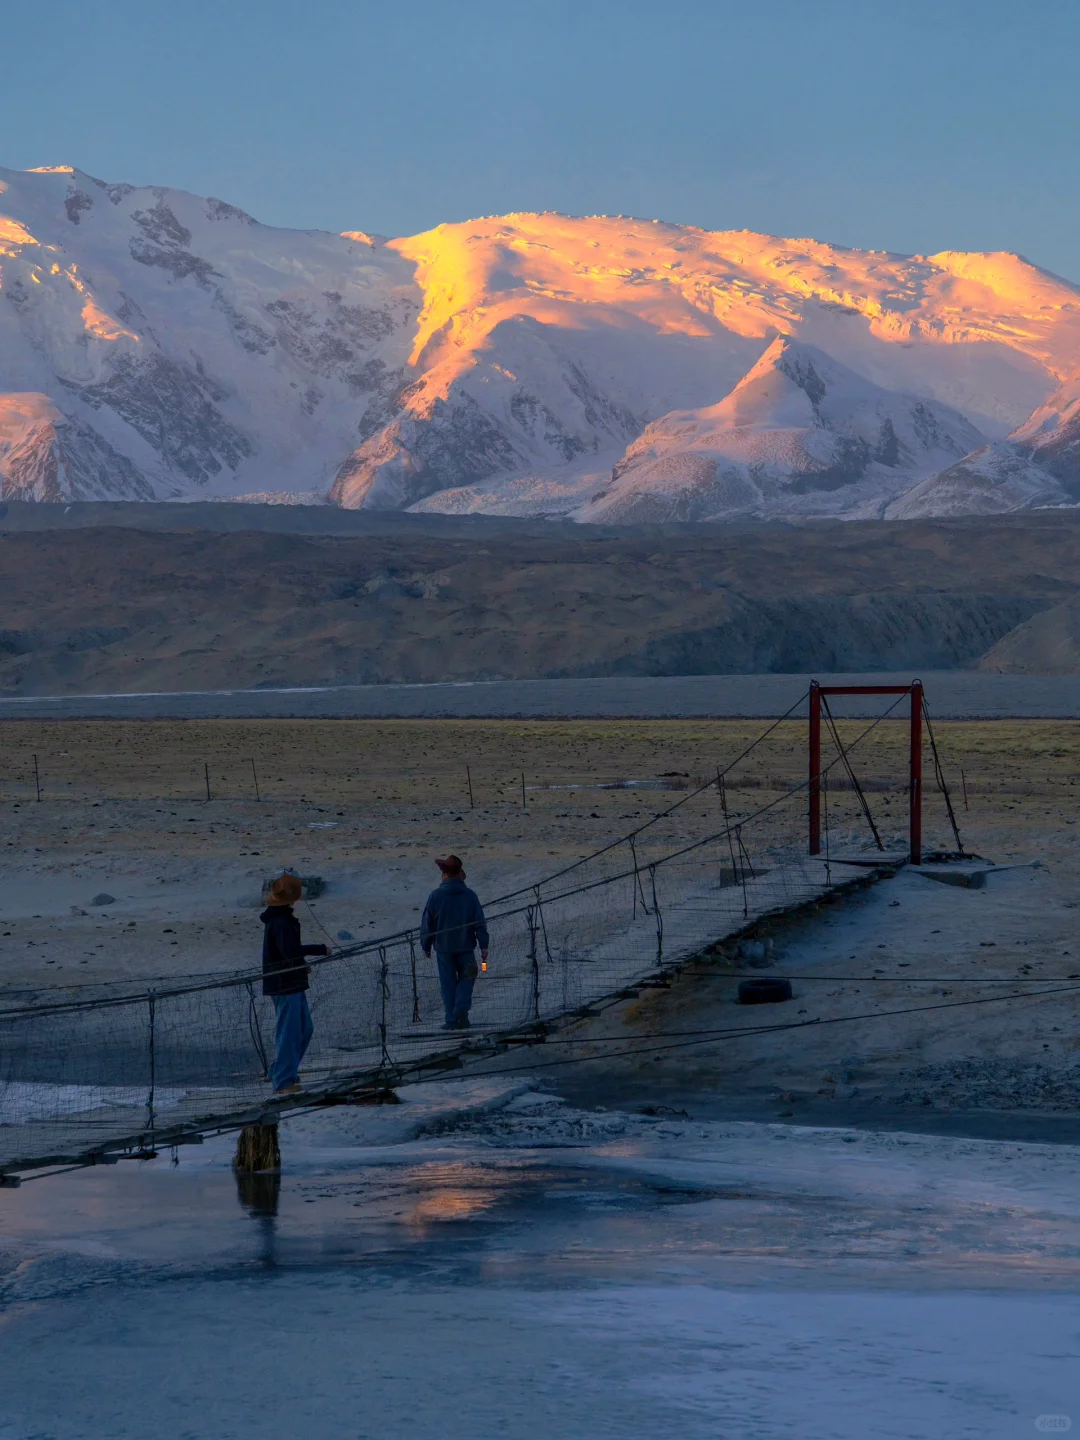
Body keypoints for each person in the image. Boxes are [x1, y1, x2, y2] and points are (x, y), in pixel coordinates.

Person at [260, 874, 328, 1093]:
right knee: (289, 1031)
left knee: (304, 1028)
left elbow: (288, 954)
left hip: (292, 981)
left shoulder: (282, 918)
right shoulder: (281, 922)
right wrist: (318, 949)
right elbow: (290, 953)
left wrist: (302, 964)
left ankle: (282, 1070)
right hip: (284, 984)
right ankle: (283, 1081)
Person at [421, 855, 489, 1030]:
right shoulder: (470, 895)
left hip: (443, 947)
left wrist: (426, 944)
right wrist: (483, 945)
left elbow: (427, 923)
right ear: (460, 873)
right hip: (466, 946)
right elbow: (479, 922)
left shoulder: (435, 896)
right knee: (469, 975)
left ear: (444, 875)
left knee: (447, 983)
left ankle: (451, 1020)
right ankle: (462, 1009)